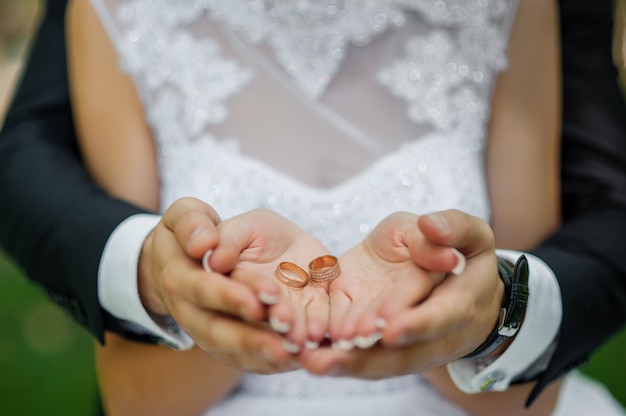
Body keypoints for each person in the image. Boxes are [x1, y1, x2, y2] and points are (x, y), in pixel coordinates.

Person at [0, 0, 623, 413]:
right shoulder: (121, 12)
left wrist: (465, 327)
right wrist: (220, 308)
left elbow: (523, 398)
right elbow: (138, 397)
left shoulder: (509, 9)